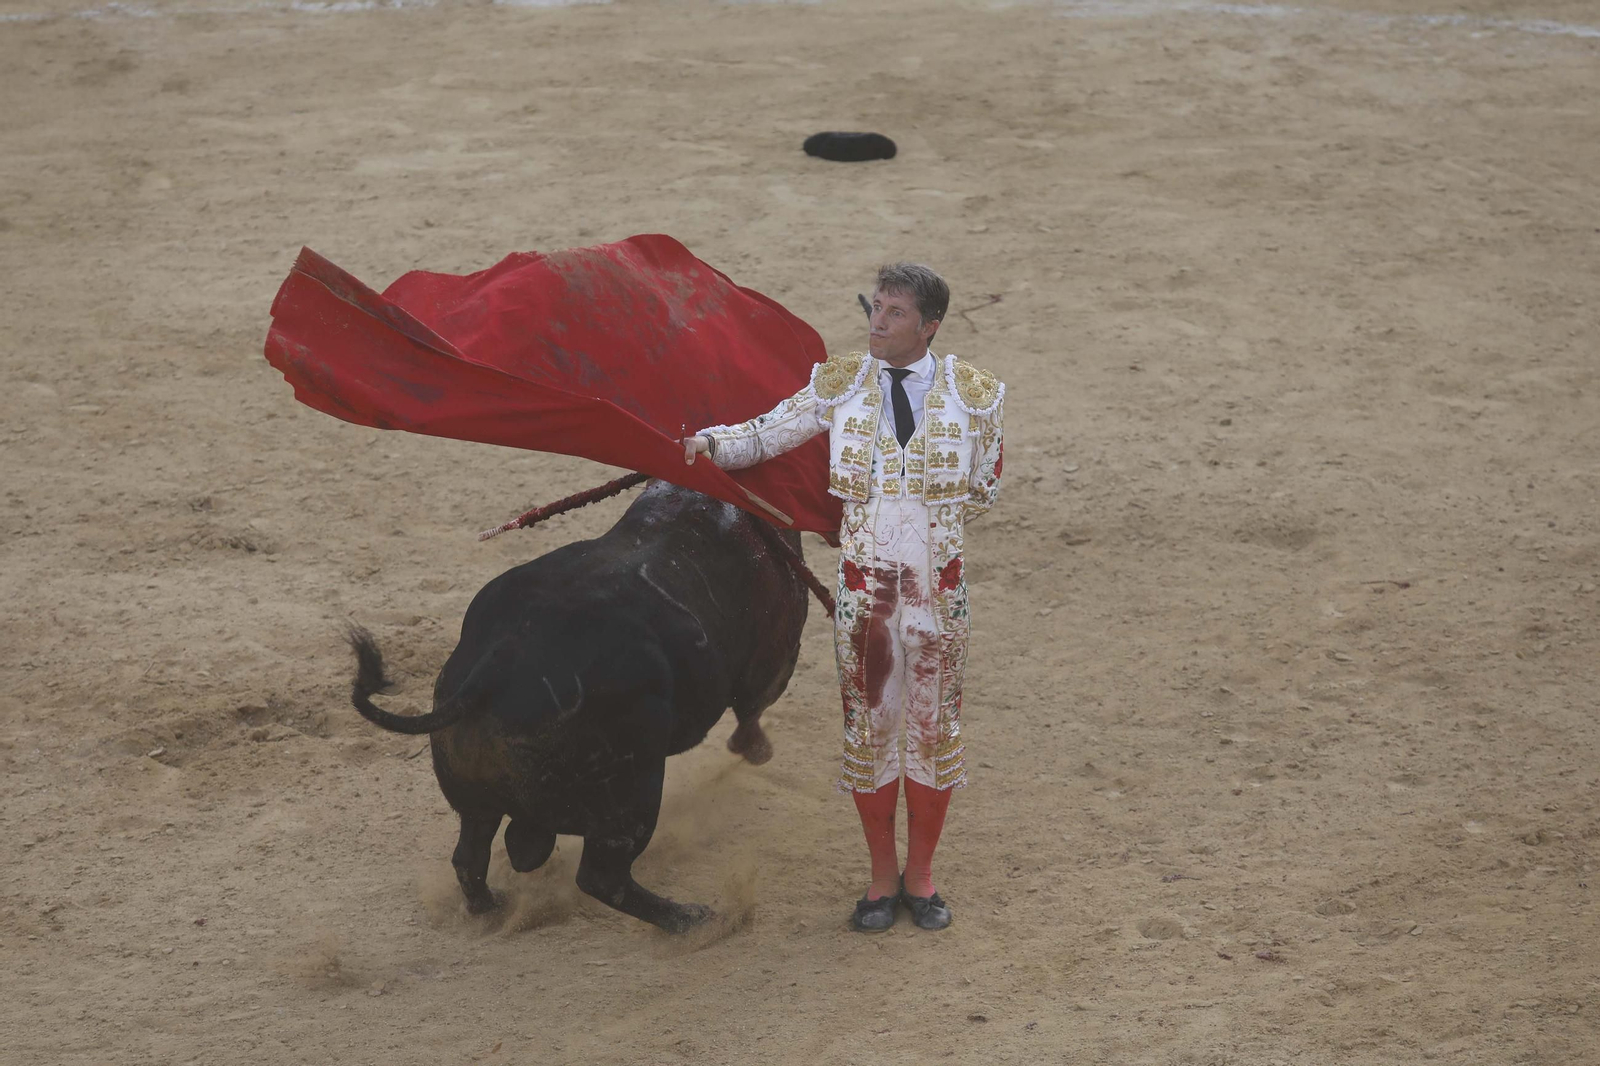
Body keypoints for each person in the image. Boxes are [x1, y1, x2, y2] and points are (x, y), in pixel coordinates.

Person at [682, 262, 1004, 932]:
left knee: (934, 736)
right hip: (868, 598)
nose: (876, 322)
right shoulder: (842, 383)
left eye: (893, 313)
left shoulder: (976, 394)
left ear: (929, 326)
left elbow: (985, 485)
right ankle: (882, 880)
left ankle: (922, 877)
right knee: (871, 734)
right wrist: (706, 444)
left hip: (939, 601)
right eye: (875, 308)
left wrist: (914, 532)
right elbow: (767, 433)